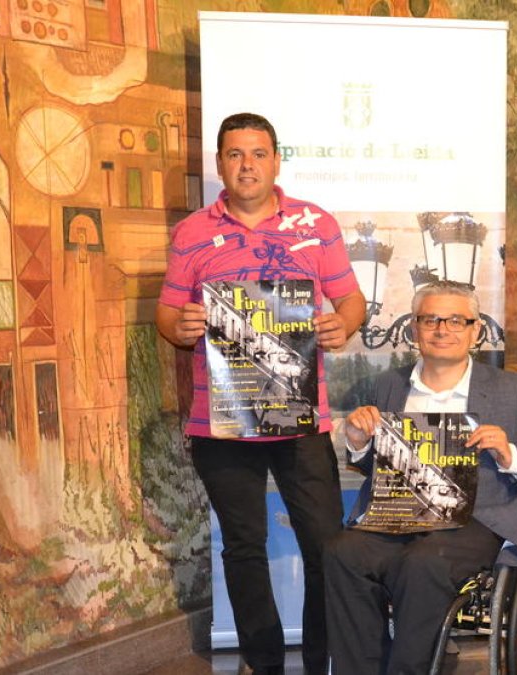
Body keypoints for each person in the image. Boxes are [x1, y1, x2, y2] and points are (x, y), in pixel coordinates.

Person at [156, 112, 366, 675]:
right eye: (234, 154)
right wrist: (180, 327)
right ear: (220, 163)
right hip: (221, 420)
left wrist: (340, 325)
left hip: (300, 418)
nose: (246, 165)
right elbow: (167, 313)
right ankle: (264, 663)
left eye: (257, 153)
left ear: (276, 160)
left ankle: (322, 661)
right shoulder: (193, 232)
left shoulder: (316, 224)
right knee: (244, 548)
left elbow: (351, 302)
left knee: (326, 547)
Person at [325, 281, 517, 674]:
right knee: (342, 553)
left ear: (476, 330)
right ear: (414, 329)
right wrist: (359, 444)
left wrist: (510, 450)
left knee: (423, 563)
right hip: (397, 516)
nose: (442, 329)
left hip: (476, 518)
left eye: (456, 321)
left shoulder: (510, 390)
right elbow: (377, 465)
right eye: (431, 319)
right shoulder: (389, 385)